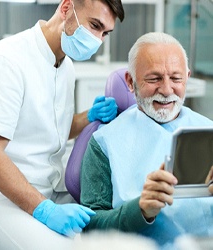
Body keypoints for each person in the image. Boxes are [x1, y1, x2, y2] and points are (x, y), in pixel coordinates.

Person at [0, 0, 124, 249]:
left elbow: (48, 129)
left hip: (46, 190)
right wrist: (44, 211)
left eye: (105, 33)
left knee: (113, 235)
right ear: (66, 7)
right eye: (94, 26)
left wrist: (88, 116)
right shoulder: (5, 62)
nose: (98, 40)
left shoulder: (65, 66)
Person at [80, 32, 213, 248]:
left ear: (187, 77)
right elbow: (90, 227)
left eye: (176, 78)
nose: (167, 90)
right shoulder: (104, 142)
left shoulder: (208, 131)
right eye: (154, 79)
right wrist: (140, 210)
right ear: (131, 82)